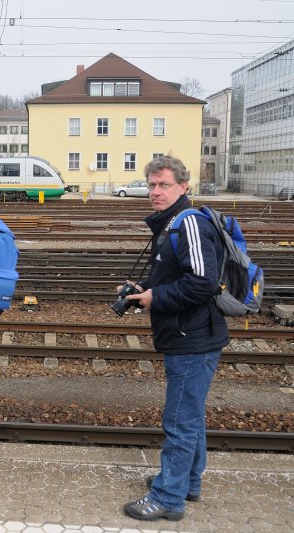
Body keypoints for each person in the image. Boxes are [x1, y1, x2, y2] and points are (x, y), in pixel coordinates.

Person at [121, 156, 228, 521]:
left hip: (193, 337)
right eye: (151, 185)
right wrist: (144, 289)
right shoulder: (170, 225)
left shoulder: (190, 224)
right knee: (191, 416)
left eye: (163, 185)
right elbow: (178, 275)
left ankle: (168, 497)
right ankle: (187, 481)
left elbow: (202, 282)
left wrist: (156, 298)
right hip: (188, 333)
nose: (155, 192)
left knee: (180, 420)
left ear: (183, 186)